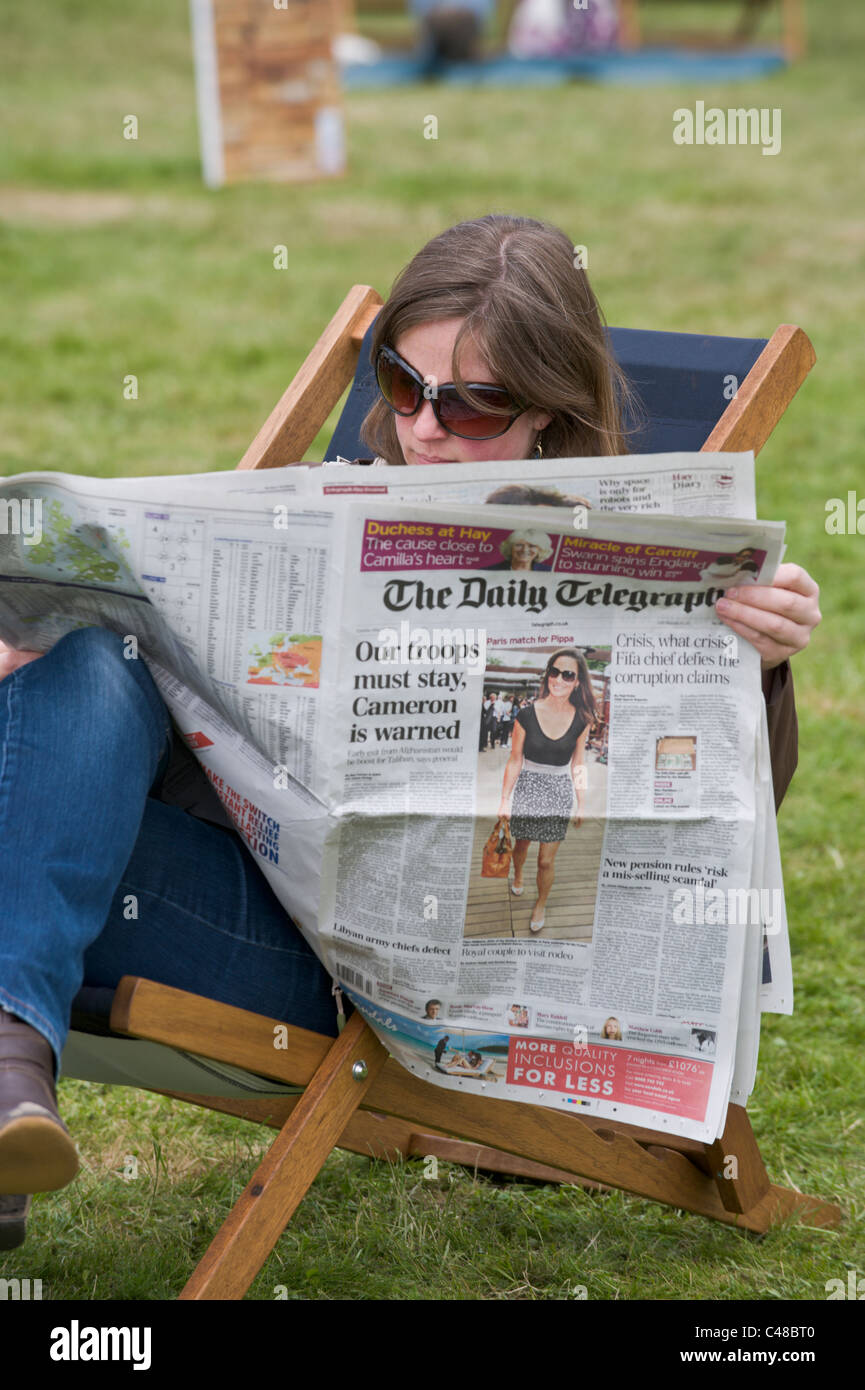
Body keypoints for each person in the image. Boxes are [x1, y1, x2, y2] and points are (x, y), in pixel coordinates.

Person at [0, 212, 820, 1236]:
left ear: (548, 423)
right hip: (234, 891)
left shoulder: (620, 587)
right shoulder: (315, 518)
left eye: (475, 405)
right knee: (82, 662)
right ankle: (6, 1072)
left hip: (381, 992)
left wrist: (762, 668)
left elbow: (712, 835)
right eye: (402, 386)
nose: (427, 427)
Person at [498, 649, 595, 932]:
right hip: (529, 785)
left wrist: (582, 802)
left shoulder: (582, 719)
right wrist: (504, 798)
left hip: (558, 791)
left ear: (577, 682)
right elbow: (515, 759)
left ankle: (540, 903)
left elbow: (579, 762)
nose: (559, 679)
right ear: (547, 675)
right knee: (522, 845)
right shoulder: (526, 714)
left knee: (545, 860)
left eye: (568, 675)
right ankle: (517, 874)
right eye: (554, 672)